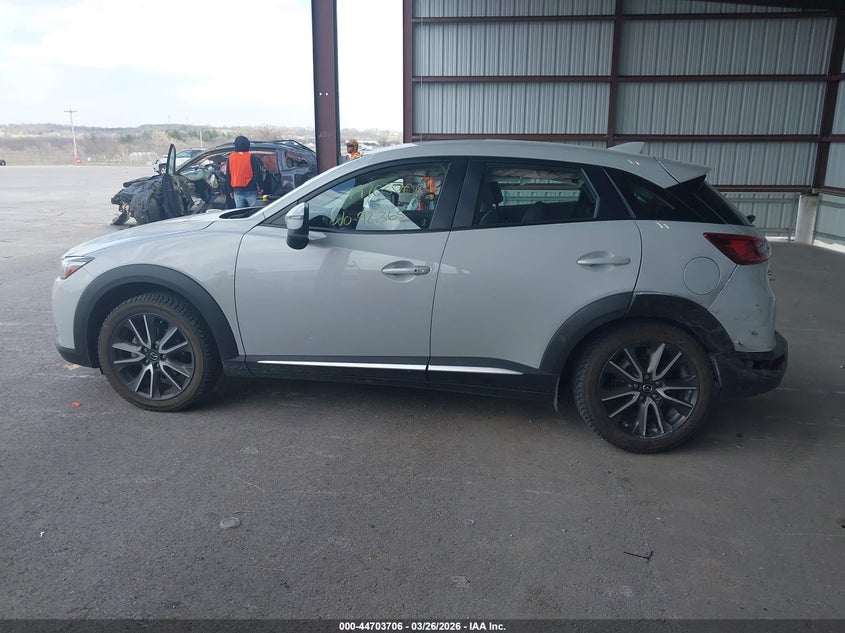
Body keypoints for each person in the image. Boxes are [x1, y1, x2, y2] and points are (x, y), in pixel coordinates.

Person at [227, 135, 263, 208]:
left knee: (240, 212)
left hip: (237, 190)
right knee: (254, 211)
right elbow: (258, 173)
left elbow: (228, 175)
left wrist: (230, 190)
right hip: (251, 189)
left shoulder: (231, 157)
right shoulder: (252, 157)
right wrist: (261, 187)